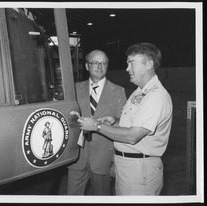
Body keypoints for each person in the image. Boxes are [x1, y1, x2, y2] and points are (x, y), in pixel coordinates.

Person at [78, 43, 173, 195]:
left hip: (140, 170)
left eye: (131, 63)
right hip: (127, 167)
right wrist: (116, 121)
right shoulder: (139, 92)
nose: (127, 68)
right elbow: (132, 123)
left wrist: (96, 126)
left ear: (149, 64)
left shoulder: (156, 96)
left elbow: (132, 136)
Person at [67, 50, 127, 195]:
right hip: (76, 158)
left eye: (103, 63)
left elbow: (123, 125)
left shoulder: (118, 91)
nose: (99, 66)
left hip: (103, 160)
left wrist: (115, 160)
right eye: (95, 62)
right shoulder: (74, 89)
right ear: (87, 66)